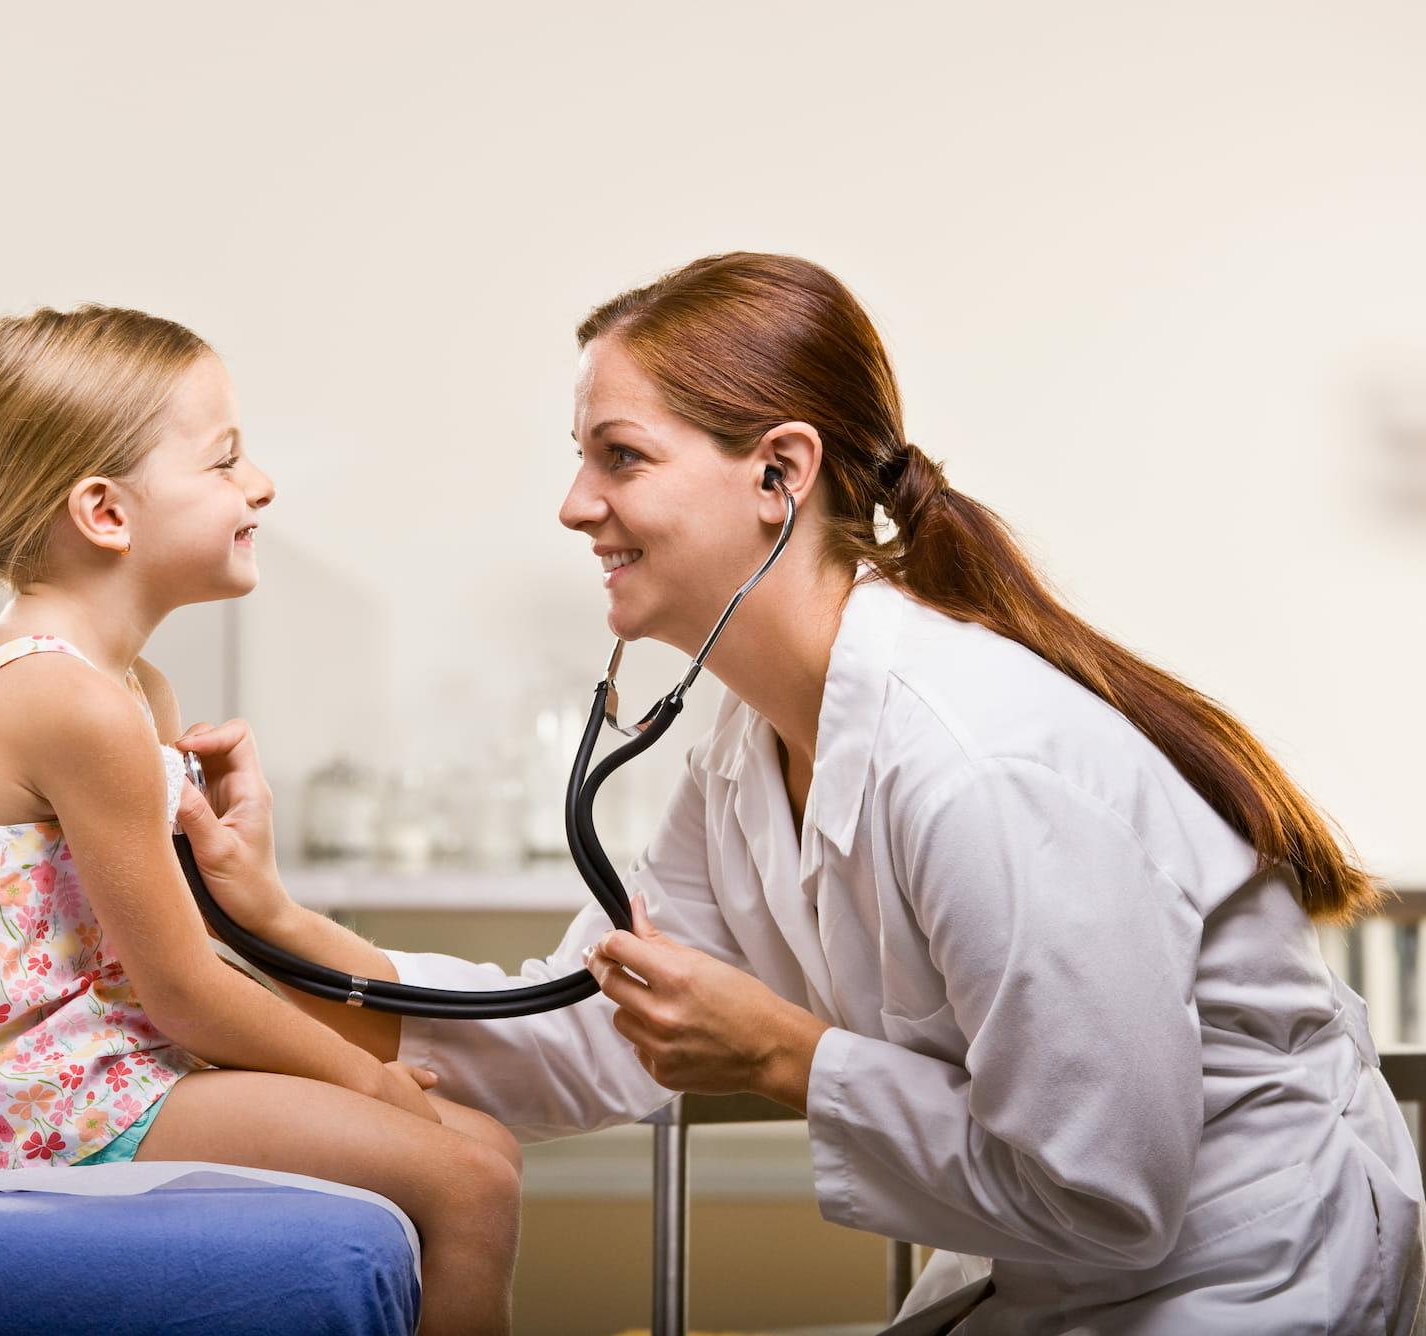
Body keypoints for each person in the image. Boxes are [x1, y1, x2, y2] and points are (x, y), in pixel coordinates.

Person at [181, 254, 1426, 1333]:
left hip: (1246, 1273)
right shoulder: (748, 743)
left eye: (621, 457)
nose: (574, 506)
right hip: (1078, 1274)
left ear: (779, 473)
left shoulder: (976, 762)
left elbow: (1105, 1188)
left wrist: (784, 1054)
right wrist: (282, 930)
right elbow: (584, 1030)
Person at [0, 305, 521, 1336]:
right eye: (226, 461)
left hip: (107, 1074)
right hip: (47, 1110)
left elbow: (165, 961)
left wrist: (269, 908)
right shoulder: (74, 704)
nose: (263, 485)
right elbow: (186, 991)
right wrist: (369, 1079)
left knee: (486, 1148)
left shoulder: (126, 689)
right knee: (472, 1184)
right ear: (106, 512)